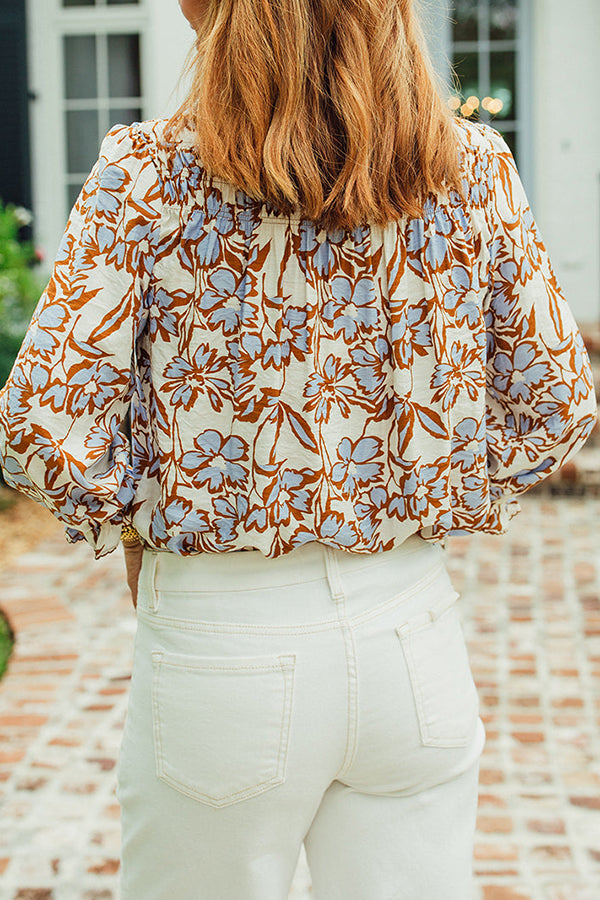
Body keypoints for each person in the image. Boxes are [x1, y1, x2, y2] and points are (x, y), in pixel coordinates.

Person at [0, 0, 597, 897]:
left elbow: (45, 429)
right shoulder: (469, 166)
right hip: (412, 632)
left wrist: (137, 522)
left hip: (221, 645)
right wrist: (427, 476)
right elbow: (556, 401)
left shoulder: (149, 175)